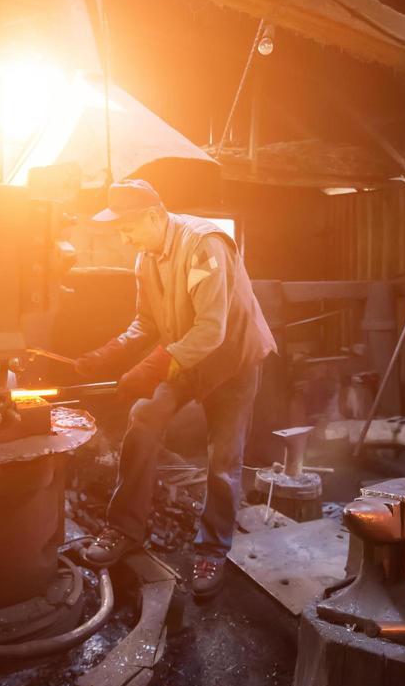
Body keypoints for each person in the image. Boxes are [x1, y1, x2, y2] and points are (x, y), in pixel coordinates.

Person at [75, 179, 275, 600]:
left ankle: (213, 549)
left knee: (222, 459)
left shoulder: (204, 245)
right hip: (187, 355)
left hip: (232, 359)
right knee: (144, 417)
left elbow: (211, 330)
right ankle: (125, 528)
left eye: (127, 228)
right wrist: (106, 354)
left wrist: (151, 367)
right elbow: (145, 323)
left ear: (153, 216)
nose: (124, 238)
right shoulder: (146, 259)